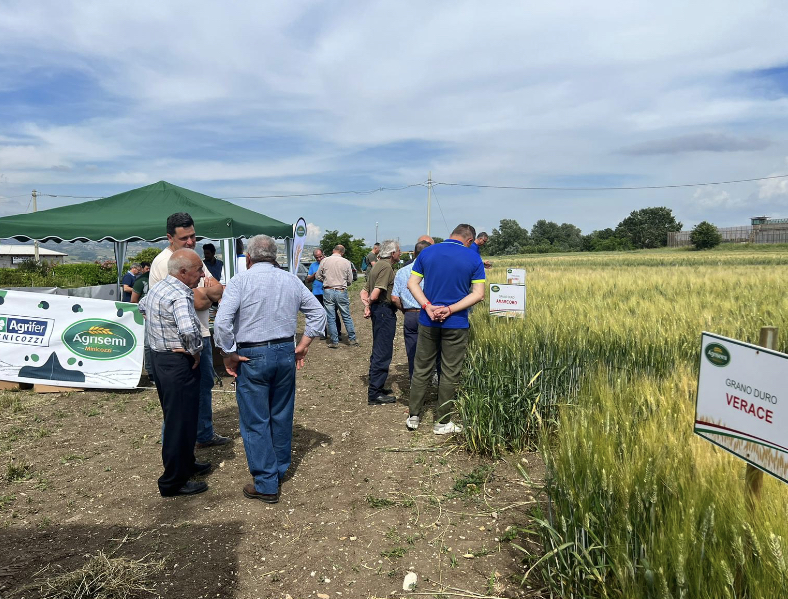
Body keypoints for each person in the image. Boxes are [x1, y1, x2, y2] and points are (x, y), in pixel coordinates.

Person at [213, 235, 326, 504]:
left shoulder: (241, 281)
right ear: (275, 256)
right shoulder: (291, 279)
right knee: (281, 413)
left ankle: (266, 482)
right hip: (285, 351)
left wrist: (228, 354)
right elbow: (318, 314)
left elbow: (222, 323)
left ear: (248, 258)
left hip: (252, 354)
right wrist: (304, 345)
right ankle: (278, 470)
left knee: (255, 419)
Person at [149, 212, 228, 448]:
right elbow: (196, 301)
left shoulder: (192, 258)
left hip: (199, 334)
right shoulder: (165, 263)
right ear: (170, 237)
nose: (191, 242)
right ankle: (174, 451)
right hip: (181, 342)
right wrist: (205, 295)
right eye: (185, 238)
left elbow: (217, 290)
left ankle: (202, 434)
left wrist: (205, 294)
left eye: (193, 236)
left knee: (202, 390)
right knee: (180, 403)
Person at [138, 249, 212, 497]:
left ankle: (186, 464)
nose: (202, 275)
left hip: (161, 360)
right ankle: (173, 481)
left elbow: (141, 306)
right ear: (183, 272)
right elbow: (190, 331)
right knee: (179, 422)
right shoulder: (180, 295)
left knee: (180, 417)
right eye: (199, 270)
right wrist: (195, 351)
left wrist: (161, 332)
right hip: (179, 363)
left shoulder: (159, 288)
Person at [406, 224, 486, 434]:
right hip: (456, 323)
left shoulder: (428, 252)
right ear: (470, 240)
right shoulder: (473, 258)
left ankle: (414, 415)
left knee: (422, 367)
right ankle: (442, 422)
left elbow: (412, 284)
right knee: (449, 372)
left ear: (452, 234)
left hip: (428, 319)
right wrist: (450, 309)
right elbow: (478, 294)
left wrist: (427, 306)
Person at [365, 239, 401, 405]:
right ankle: (375, 393)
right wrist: (371, 303)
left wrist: (368, 306)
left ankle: (377, 386)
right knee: (383, 350)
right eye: (398, 251)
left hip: (378, 311)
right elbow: (375, 292)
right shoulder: (386, 267)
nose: (400, 254)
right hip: (384, 311)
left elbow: (364, 291)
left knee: (378, 348)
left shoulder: (377, 265)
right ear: (393, 253)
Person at [392, 239, 433, 380]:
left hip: (410, 315)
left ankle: (414, 381)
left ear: (414, 253)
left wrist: (404, 309)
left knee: (412, 351)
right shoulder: (432, 271)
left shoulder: (402, 271)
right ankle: (431, 379)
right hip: (429, 314)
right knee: (432, 348)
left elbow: (394, 298)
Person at [315, 245, 359, 349]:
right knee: (346, 316)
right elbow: (350, 279)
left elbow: (317, 276)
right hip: (341, 290)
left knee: (331, 317)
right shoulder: (346, 262)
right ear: (342, 253)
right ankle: (352, 339)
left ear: (333, 250)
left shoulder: (325, 261)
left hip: (328, 290)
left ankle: (334, 341)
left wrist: (326, 281)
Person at [305, 248, 341, 339]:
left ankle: (337, 332)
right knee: (320, 313)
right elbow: (308, 279)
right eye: (317, 257)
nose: (319, 259)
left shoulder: (329, 263)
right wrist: (315, 274)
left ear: (323, 254)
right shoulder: (313, 265)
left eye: (320, 257)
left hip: (329, 291)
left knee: (332, 313)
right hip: (317, 292)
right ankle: (323, 332)